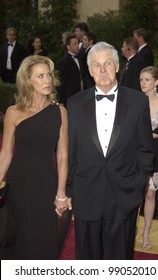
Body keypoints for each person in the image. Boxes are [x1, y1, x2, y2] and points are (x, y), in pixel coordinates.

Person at [66, 42, 154, 260]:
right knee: (88, 260)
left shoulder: (137, 102)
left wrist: (137, 182)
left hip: (124, 194)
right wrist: (69, 189)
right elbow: (71, 150)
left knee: (120, 260)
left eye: (107, 64)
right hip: (86, 193)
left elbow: (145, 149)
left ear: (116, 66)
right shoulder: (75, 103)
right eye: (96, 65)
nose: (102, 70)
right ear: (89, 70)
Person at [0, 55, 69, 259]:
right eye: (40, 76)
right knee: (17, 239)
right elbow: (5, 154)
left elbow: (63, 155)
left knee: (43, 239)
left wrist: (61, 194)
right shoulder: (14, 112)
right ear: (28, 80)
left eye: (48, 75)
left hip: (46, 184)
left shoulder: (60, 112)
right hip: (18, 185)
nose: (47, 80)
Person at [139, 66, 158, 250]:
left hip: (156, 156)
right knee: (134, 195)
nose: (143, 83)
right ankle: (130, 228)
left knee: (150, 194)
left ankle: (146, 232)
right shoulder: (134, 101)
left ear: (156, 82)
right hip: (134, 155)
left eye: (147, 80)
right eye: (141, 80)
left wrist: (139, 135)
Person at [57, 34, 85, 107]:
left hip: (81, 94)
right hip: (70, 97)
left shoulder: (79, 58)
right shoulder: (64, 61)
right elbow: (61, 82)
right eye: (74, 44)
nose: (77, 46)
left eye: (78, 44)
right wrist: (61, 101)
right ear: (68, 46)